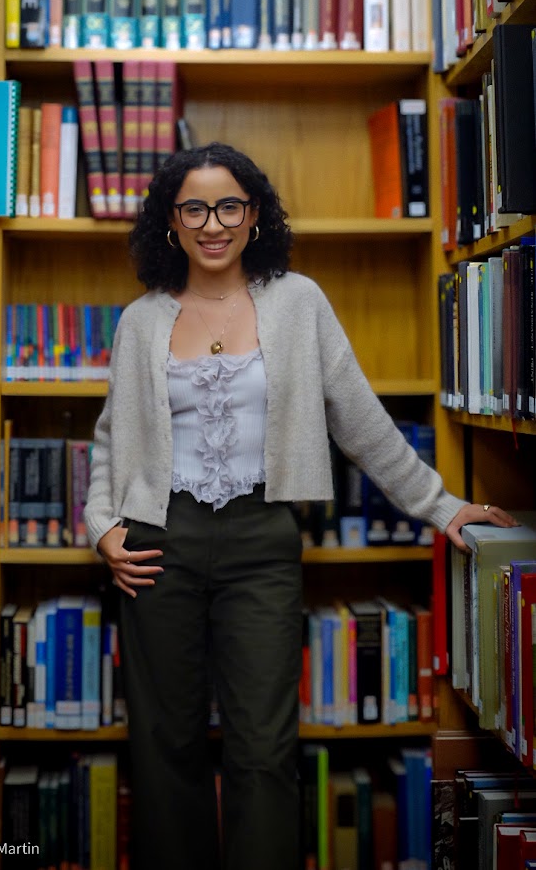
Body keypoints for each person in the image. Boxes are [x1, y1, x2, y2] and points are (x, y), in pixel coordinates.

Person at [84, 141, 518, 870]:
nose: (212, 222)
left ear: (254, 216)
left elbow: (359, 418)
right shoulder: (140, 321)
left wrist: (440, 505)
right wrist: (101, 530)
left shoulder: (298, 301)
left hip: (262, 538)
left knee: (263, 743)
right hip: (157, 541)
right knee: (164, 744)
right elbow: (108, 442)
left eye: (229, 205)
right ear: (171, 222)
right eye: (194, 207)